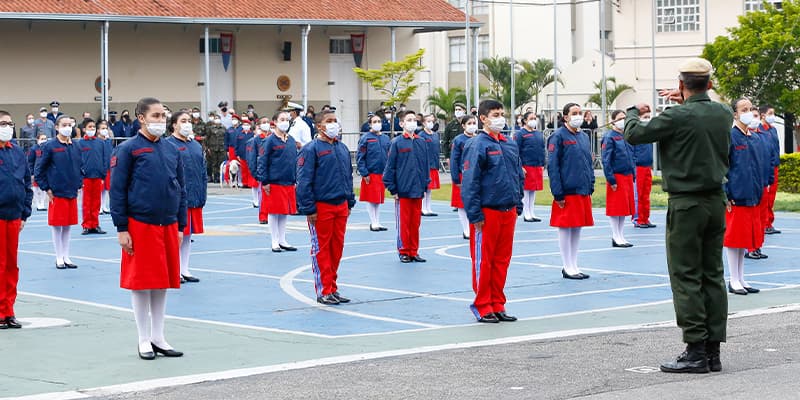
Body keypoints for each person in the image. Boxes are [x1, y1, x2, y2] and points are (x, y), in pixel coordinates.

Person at [625, 57, 732, 374]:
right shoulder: (723, 113)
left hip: (686, 204)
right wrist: (688, 96)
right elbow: (706, 110)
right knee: (712, 274)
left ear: (681, 84)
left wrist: (634, 111)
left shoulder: (677, 114)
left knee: (685, 275)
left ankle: (695, 350)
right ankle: (713, 351)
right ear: (709, 84)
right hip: (715, 201)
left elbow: (634, 133)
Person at [111, 97, 187, 360]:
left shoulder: (171, 150)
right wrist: (122, 228)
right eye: (155, 116)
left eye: (163, 116)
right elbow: (117, 190)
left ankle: (158, 336)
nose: (161, 121)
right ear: (141, 118)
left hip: (168, 224)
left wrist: (181, 225)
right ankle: (143, 338)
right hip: (140, 225)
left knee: (162, 283)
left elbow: (180, 188)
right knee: (141, 283)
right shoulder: (129, 149)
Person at [460, 99, 524, 323]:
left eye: (501, 114)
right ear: (483, 118)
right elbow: (470, 181)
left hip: (507, 210)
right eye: (495, 114)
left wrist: (518, 201)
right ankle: (482, 304)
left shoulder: (509, 143)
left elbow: (518, 174)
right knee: (484, 261)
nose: (500, 118)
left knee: (502, 260)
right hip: (487, 212)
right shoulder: (478, 144)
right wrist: (475, 213)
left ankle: (498, 303)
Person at [296, 110, 356, 305]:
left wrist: (349, 201)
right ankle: (324, 290)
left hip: (340, 205)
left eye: (335, 121)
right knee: (321, 249)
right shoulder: (311, 149)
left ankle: (333, 287)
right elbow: (304, 181)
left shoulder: (342, 148)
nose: (333, 125)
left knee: (336, 249)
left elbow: (348, 177)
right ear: (319, 126)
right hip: (321, 207)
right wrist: (309, 208)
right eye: (329, 121)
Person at [548, 103, 594, 280]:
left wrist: (590, 184)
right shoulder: (558, 136)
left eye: (580, 113)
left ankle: (574, 264)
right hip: (567, 190)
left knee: (577, 228)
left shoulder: (583, 136)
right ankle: (567, 266)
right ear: (565, 117)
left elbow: (587, 162)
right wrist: (557, 192)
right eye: (574, 113)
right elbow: (553, 166)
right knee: (565, 228)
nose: (578, 116)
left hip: (582, 189)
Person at [723, 98, 764, 296]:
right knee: (734, 239)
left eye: (750, 109)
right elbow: (723, 167)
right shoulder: (730, 136)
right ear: (735, 114)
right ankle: (733, 279)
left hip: (753, 194)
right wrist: (726, 192)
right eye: (743, 109)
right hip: (736, 196)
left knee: (745, 239)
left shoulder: (753, 137)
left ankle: (741, 278)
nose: (748, 112)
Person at [35, 115, 82, 269]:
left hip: (71, 191)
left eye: (70, 124)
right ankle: (58, 257)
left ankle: (66, 256)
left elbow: (79, 167)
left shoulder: (75, 146)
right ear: (56, 127)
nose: (68, 127)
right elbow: (39, 169)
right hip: (56, 192)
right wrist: (46, 188)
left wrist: (79, 182)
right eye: (64, 124)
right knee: (57, 225)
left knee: (68, 225)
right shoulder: (50, 146)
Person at [0, 110, 33, 330]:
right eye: (3, 123)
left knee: (11, 266)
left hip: (13, 217)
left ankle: (8, 311)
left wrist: (24, 213)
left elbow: (26, 183)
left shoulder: (17, 152)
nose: (8, 127)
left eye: (10, 123)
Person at [383, 110, 430, 263]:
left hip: (418, 189)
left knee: (415, 223)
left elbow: (425, 164)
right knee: (404, 223)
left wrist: (425, 184)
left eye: (414, 120)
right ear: (402, 123)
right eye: (409, 120)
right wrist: (393, 188)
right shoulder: (397, 142)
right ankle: (404, 251)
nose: (412, 122)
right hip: (403, 190)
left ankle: (413, 250)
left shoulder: (421, 141)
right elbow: (390, 167)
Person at [165, 111, 206, 284]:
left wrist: (202, 194)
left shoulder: (196, 145)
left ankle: (185, 269)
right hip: (176, 199)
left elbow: (202, 171)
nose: (187, 124)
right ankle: (173, 270)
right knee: (176, 235)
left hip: (194, 197)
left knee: (188, 236)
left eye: (189, 121)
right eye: (183, 121)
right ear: (174, 124)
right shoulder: (168, 145)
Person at [257, 111, 298, 252]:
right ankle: (274, 241)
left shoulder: (291, 140)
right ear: (275, 121)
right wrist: (265, 181)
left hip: (288, 181)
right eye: (282, 119)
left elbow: (295, 161)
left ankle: (282, 239)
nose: (285, 122)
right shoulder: (269, 140)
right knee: (273, 212)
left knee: (284, 212)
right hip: (273, 182)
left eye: (287, 119)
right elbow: (262, 161)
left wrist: (295, 178)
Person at [602, 110, 635, 247]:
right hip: (616, 176)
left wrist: (633, 173)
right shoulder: (609, 137)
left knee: (624, 209)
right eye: (620, 118)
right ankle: (615, 236)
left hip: (627, 175)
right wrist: (611, 179)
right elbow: (606, 160)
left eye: (625, 118)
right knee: (616, 209)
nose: (623, 120)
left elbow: (631, 155)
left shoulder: (625, 136)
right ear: (613, 121)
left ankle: (621, 235)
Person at [356, 114, 391, 231]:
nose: (377, 123)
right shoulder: (365, 138)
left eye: (379, 121)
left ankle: (377, 221)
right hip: (370, 173)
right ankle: (373, 222)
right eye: (374, 121)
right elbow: (360, 157)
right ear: (370, 124)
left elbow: (390, 156)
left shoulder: (386, 139)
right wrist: (364, 173)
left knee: (379, 198)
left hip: (382, 173)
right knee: (372, 199)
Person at [77, 119, 108, 235]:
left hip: (98, 176)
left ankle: (95, 224)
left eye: (93, 127)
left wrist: (103, 173)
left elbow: (105, 159)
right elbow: (77, 161)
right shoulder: (80, 143)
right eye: (89, 127)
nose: (92, 129)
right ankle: (86, 225)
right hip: (86, 177)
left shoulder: (100, 143)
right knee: (86, 203)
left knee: (96, 202)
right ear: (84, 129)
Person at [514, 111, 546, 222]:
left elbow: (542, 149)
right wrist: (520, 166)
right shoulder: (520, 134)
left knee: (533, 190)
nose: (534, 120)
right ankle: (526, 213)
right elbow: (515, 151)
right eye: (531, 118)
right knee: (526, 190)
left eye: (535, 118)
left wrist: (542, 163)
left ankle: (532, 211)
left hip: (537, 165)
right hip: (526, 165)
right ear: (525, 120)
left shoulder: (538, 133)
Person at [450, 115, 478, 239]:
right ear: (463, 126)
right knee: (461, 204)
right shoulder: (459, 140)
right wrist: (456, 178)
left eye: (474, 123)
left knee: (474, 202)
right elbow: (454, 159)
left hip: (476, 175)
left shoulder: (479, 139)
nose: (472, 126)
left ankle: (473, 227)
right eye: (469, 123)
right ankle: (466, 230)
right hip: (462, 175)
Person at [759, 105, 781, 235]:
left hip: (774, 166)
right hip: (766, 167)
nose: (773, 116)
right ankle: (765, 222)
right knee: (765, 196)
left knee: (771, 196)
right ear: (763, 115)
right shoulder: (760, 130)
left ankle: (769, 222)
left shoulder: (773, 130)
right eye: (770, 113)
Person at [632, 110, 656, 228]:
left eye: (649, 117)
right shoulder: (636, 134)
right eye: (645, 117)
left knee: (646, 194)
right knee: (639, 194)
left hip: (647, 166)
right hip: (638, 166)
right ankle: (637, 218)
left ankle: (645, 218)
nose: (648, 119)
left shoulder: (648, 134)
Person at [251, 116, 272, 224]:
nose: (266, 124)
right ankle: (263, 216)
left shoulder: (274, 137)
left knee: (272, 197)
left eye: (268, 122)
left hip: (273, 171)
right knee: (263, 196)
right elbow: (252, 157)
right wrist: (255, 172)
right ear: (259, 125)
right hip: (262, 171)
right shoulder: (257, 140)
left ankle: (272, 215)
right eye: (264, 122)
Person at [419, 114, 441, 216]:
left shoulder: (435, 135)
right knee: (424, 187)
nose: (430, 123)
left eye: (432, 121)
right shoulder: (421, 135)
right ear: (423, 123)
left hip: (433, 164)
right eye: (428, 121)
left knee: (430, 188)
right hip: (424, 165)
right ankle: (423, 208)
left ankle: (428, 207)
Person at [28, 134, 49, 211]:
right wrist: (32, 173)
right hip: (36, 172)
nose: (44, 140)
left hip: (45, 172)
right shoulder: (33, 149)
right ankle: (38, 204)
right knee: (36, 189)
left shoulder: (48, 148)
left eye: (45, 138)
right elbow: (30, 162)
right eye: (42, 138)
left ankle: (42, 203)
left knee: (43, 188)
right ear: (37, 140)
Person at [204, 115, 226, 183]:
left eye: (218, 118)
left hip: (222, 148)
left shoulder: (224, 128)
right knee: (214, 163)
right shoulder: (211, 128)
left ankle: (220, 177)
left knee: (221, 163)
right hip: (213, 148)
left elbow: (226, 138)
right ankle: (215, 177)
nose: (217, 120)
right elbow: (207, 138)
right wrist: (207, 147)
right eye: (216, 118)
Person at [97, 120, 113, 215]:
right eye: (102, 128)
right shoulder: (97, 141)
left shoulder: (108, 141)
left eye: (106, 128)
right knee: (100, 189)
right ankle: (98, 206)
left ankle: (104, 205)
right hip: (100, 169)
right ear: (98, 130)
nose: (105, 130)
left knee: (106, 189)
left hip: (108, 168)